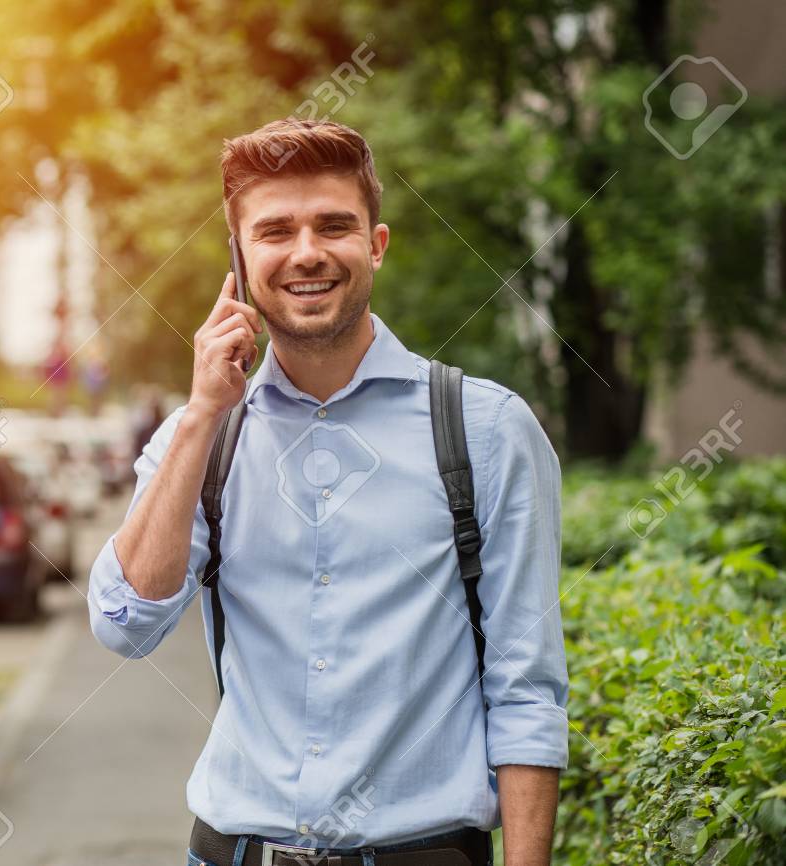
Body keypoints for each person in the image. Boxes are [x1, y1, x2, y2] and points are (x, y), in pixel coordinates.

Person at [87, 119, 567, 866]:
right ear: (240, 260)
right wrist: (203, 414)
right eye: (274, 231)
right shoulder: (206, 437)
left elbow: (526, 685)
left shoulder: (485, 429)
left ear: (375, 244)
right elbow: (126, 622)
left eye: (333, 226)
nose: (307, 252)